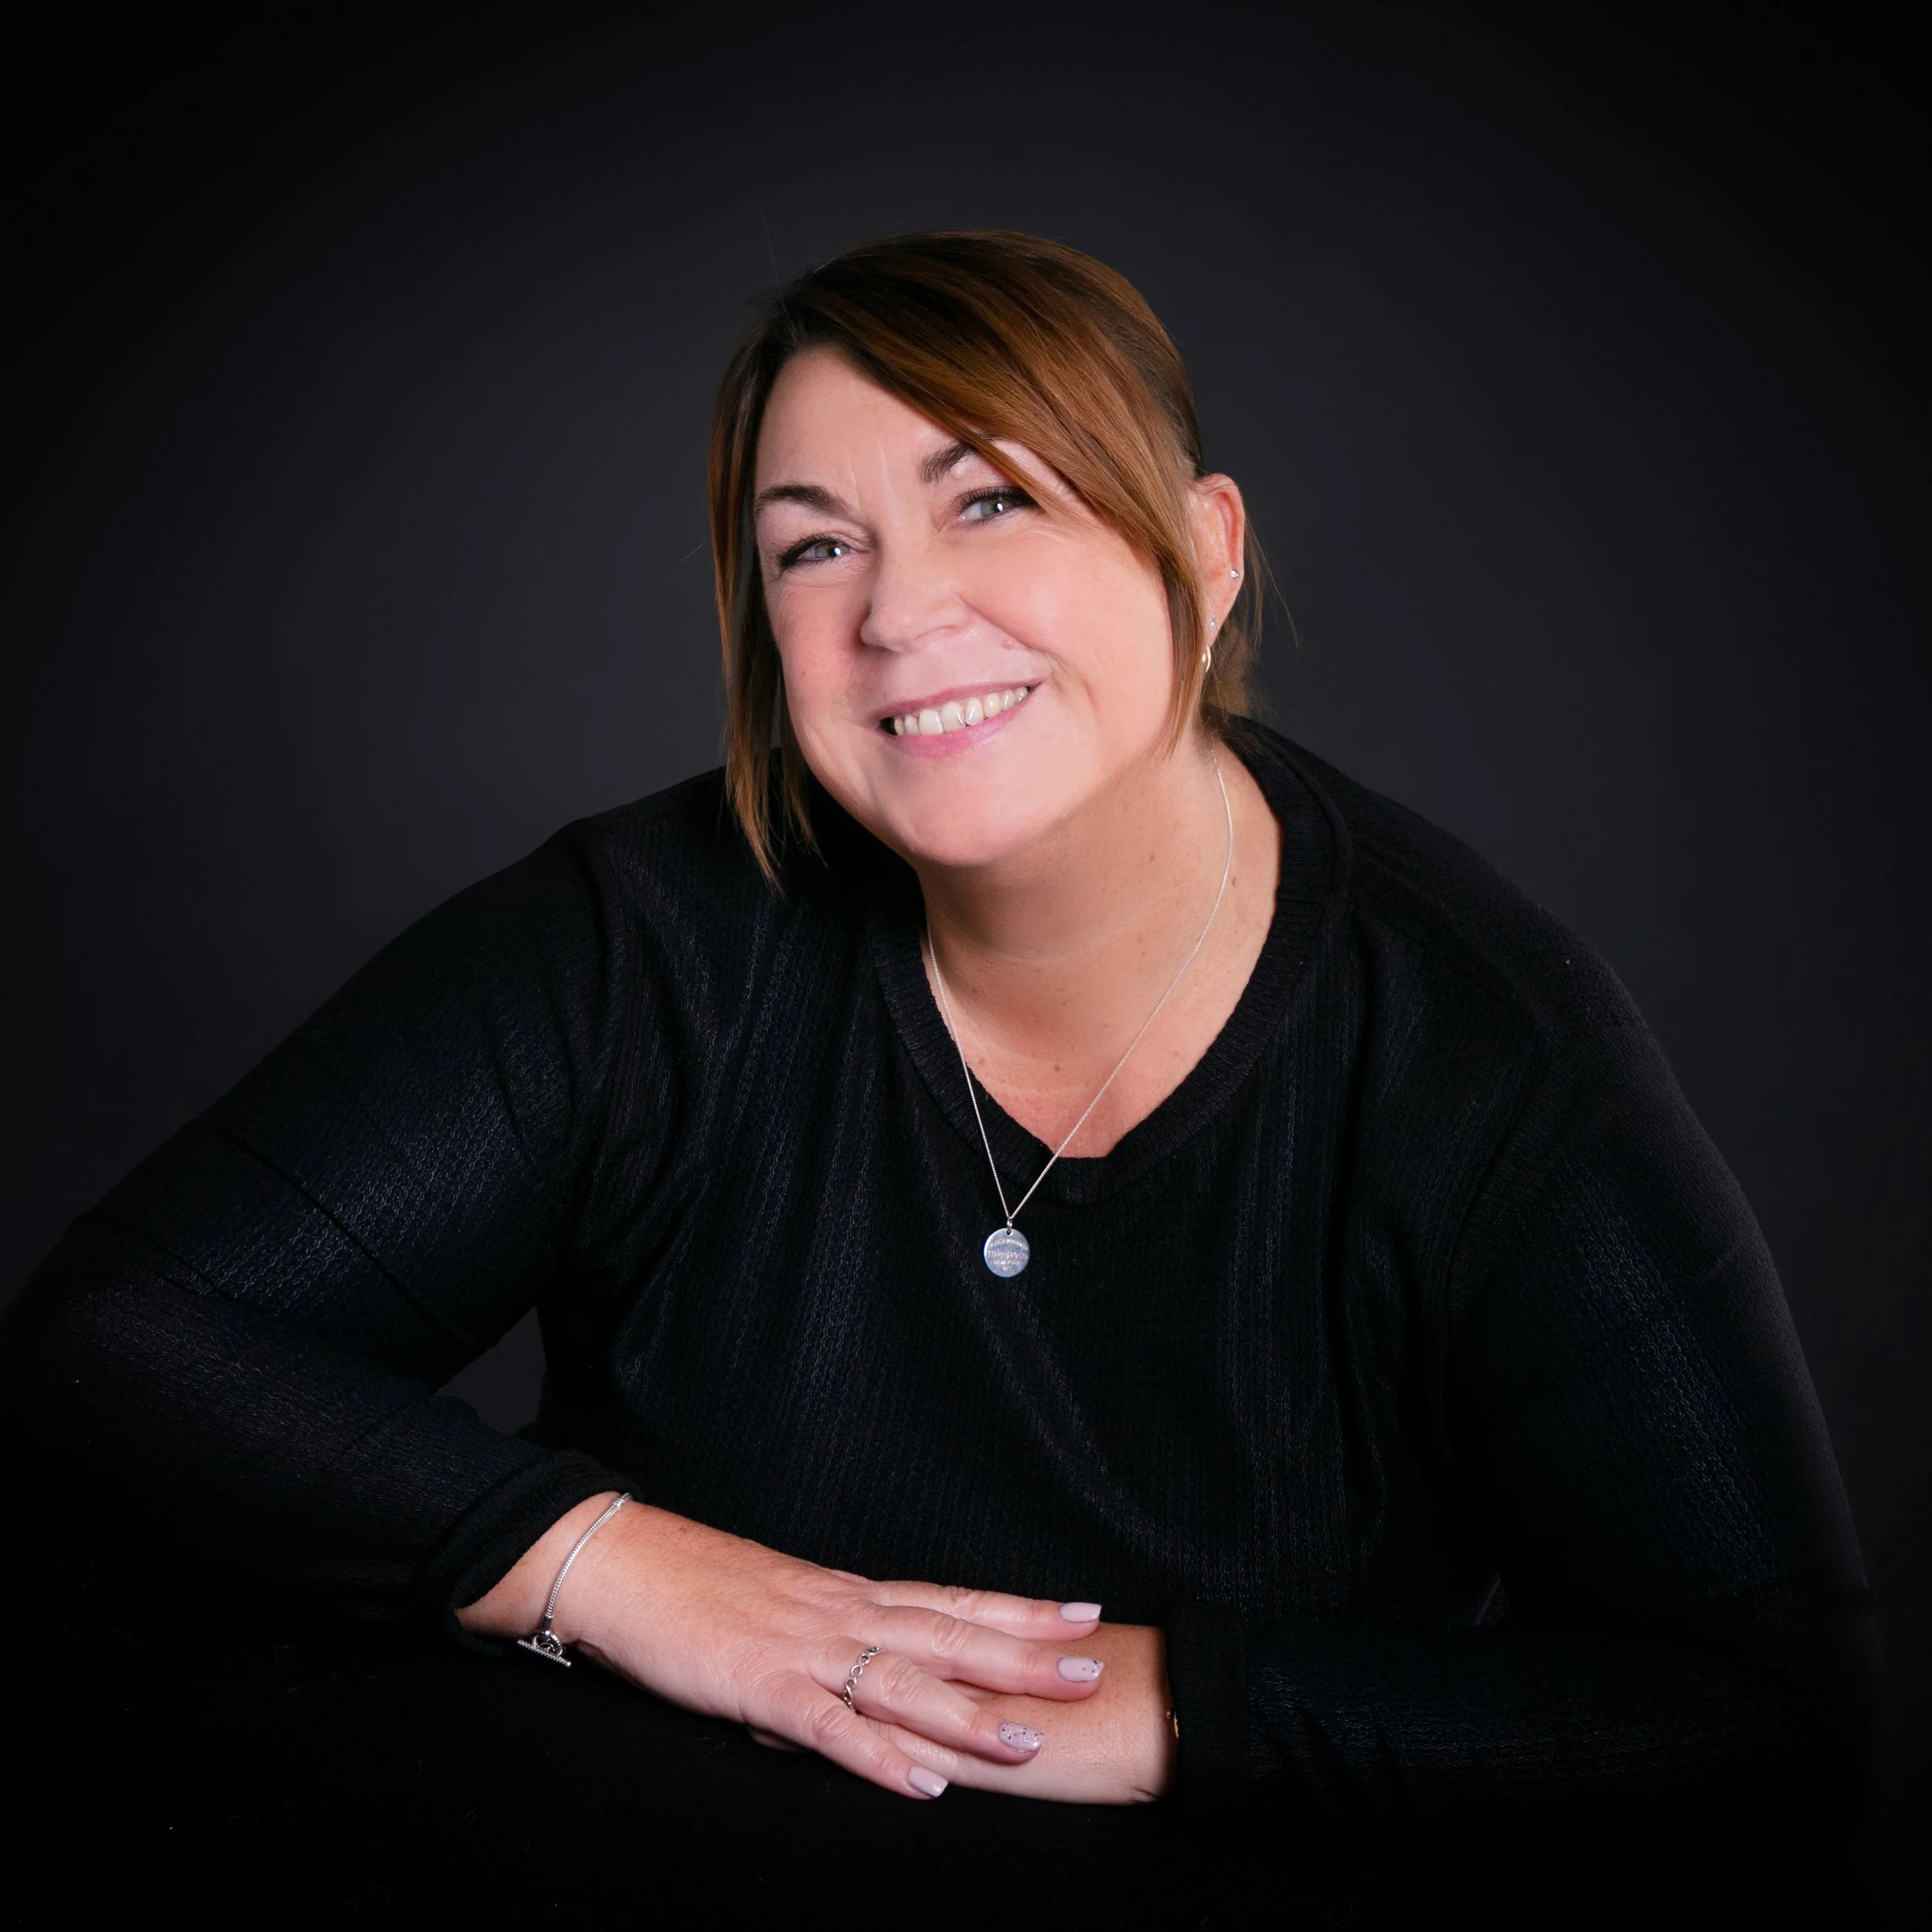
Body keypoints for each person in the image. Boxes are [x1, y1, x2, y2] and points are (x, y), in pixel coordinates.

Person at [0, 231, 1875, 1832]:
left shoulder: (1486, 1052)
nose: (899, 610)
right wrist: (607, 1558)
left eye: (988, 497)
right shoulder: (642, 936)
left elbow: (1760, 1706)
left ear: (1203, 552)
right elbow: (118, 1341)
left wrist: (1168, 1705)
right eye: (813, 548)